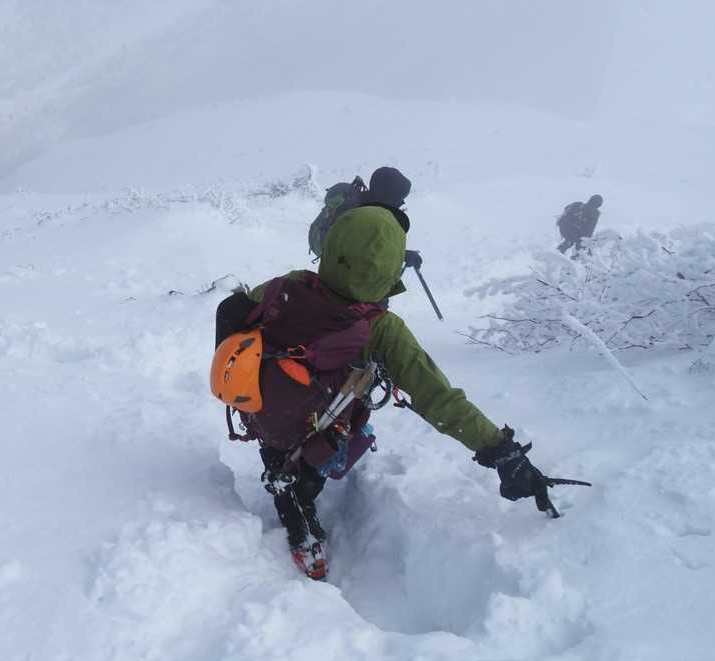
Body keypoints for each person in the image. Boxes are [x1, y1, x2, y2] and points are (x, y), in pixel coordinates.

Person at [216, 204, 557, 580]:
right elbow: (438, 397)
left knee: (283, 438)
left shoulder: (281, 288)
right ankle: (300, 496)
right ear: (389, 269)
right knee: (341, 442)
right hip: (320, 428)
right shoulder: (382, 329)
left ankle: (285, 484)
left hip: (261, 411)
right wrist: (500, 450)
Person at [307, 166, 421, 270]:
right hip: (337, 264)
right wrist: (401, 255)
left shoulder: (367, 207)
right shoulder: (355, 212)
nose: (400, 204)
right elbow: (359, 250)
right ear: (386, 195)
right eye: (398, 199)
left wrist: (401, 255)